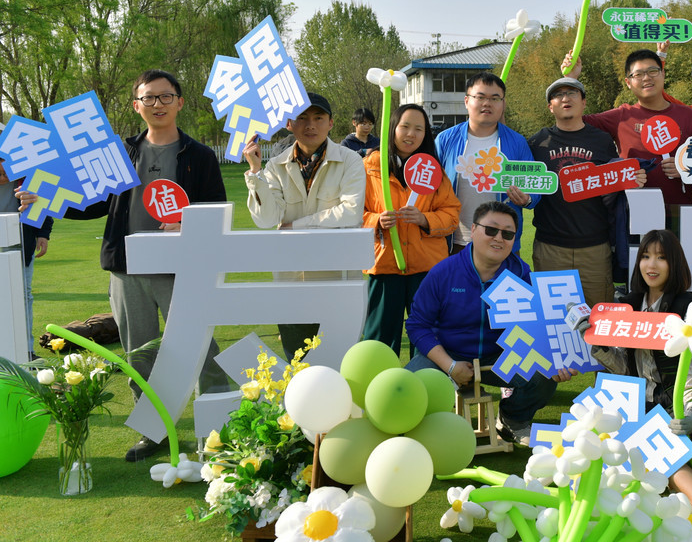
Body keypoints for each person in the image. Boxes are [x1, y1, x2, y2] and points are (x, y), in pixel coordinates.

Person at [18, 69, 230, 462]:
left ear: (180, 102)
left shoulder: (197, 155)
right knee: (138, 352)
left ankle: (222, 426)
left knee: (201, 345)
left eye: (165, 97)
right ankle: (154, 431)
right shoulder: (121, 152)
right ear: (137, 106)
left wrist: (187, 221)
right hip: (128, 267)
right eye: (149, 98)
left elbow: (216, 207)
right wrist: (45, 199)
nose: (157, 105)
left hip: (181, 267)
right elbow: (94, 202)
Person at [590, 229, 692, 529]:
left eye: (660, 257)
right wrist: (600, 342)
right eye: (645, 256)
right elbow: (625, 370)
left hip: (681, 407)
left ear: (675, 264)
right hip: (638, 406)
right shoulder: (628, 306)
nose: (651, 265)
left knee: (659, 452)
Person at [404, 201, 574, 446]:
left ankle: (512, 420)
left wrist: (558, 360)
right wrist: (450, 365)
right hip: (447, 353)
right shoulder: (444, 272)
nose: (499, 239)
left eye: (507, 234)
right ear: (473, 230)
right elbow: (417, 325)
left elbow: (535, 324)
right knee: (406, 387)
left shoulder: (519, 273)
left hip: (500, 356)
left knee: (545, 374)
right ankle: (418, 433)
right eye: (491, 230)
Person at [243, 93, 367, 361]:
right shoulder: (275, 166)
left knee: (341, 368)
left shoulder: (350, 161)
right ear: (290, 124)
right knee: (297, 368)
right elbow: (266, 219)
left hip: (338, 281)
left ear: (331, 123)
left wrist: (296, 225)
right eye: (302, 118)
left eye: (318, 118)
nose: (311, 125)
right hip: (291, 283)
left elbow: (350, 213)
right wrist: (255, 173)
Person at [528, 77, 646, 307]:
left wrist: (632, 179)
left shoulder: (602, 140)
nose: (565, 98)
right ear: (550, 106)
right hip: (551, 247)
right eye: (558, 95)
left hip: (595, 248)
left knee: (599, 316)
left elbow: (614, 181)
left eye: (572, 93)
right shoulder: (536, 143)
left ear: (583, 103)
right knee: (553, 318)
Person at [362, 103, 460, 356]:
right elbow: (351, 214)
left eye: (419, 128)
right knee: (380, 338)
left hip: (426, 269)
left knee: (428, 336)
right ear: (392, 128)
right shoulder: (370, 168)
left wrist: (425, 219)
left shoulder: (433, 170)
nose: (411, 134)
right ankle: (379, 389)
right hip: (384, 265)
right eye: (405, 126)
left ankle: (426, 386)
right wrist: (375, 221)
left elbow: (451, 214)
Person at [566, 49, 692, 217]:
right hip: (634, 214)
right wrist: (570, 80)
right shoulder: (621, 116)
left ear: (663, 74)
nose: (647, 78)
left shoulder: (689, 115)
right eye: (638, 74)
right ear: (628, 82)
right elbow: (571, 119)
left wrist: (686, 168)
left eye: (653, 71)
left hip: (682, 213)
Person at [434, 72, 538, 255]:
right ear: (467, 101)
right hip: (455, 244)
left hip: (502, 244)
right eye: (480, 97)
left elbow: (536, 186)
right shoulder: (445, 140)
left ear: (503, 104)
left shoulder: (517, 142)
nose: (487, 103)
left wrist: (528, 199)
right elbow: (429, 188)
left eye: (495, 98)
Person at [0, 166, 52, 358]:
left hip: (22, 243)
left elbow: (44, 202)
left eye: (7, 174)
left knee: (23, 296)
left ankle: (26, 350)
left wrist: (43, 234)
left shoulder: (27, 178)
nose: (4, 178)